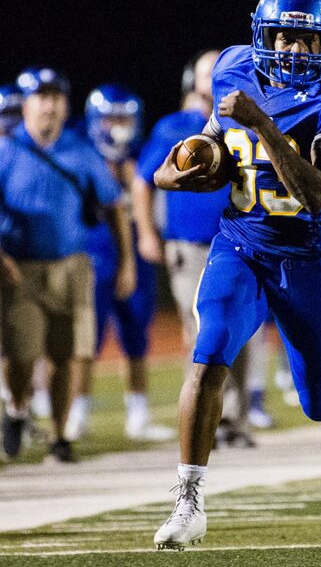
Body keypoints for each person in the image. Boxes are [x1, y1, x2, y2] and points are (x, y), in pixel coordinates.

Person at [151, 0, 321, 550]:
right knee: (209, 351)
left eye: (307, 41)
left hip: (305, 255)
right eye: (283, 36)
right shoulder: (233, 69)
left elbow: (317, 195)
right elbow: (203, 146)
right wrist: (177, 172)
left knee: (320, 402)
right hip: (239, 244)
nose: (292, 50)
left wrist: (262, 123)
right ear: (263, 36)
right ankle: (189, 499)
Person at [133, 50, 272, 440]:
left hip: (245, 243)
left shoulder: (254, 124)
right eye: (207, 73)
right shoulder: (172, 126)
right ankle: (213, 420)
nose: (214, 79)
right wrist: (146, 232)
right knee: (206, 330)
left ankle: (237, 418)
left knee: (246, 332)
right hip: (191, 248)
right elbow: (146, 180)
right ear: (192, 81)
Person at [0, 67, 135, 463]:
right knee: (21, 356)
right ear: (25, 105)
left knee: (66, 357)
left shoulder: (80, 150)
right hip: (19, 267)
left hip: (72, 266)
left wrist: (126, 262)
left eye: (56, 97)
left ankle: (60, 437)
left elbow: (113, 207)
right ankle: (17, 409)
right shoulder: (6, 151)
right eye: (41, 97)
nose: (50, 105)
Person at [63, 84, 174, 442]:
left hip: (134, 257)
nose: (119, 126)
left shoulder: (143, 154)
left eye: (125, 117)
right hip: (89, 252)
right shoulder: (79, 152)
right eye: (112, 118)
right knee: (85, 338)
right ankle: (76, 413)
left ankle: (138, 415)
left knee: (136, 332)